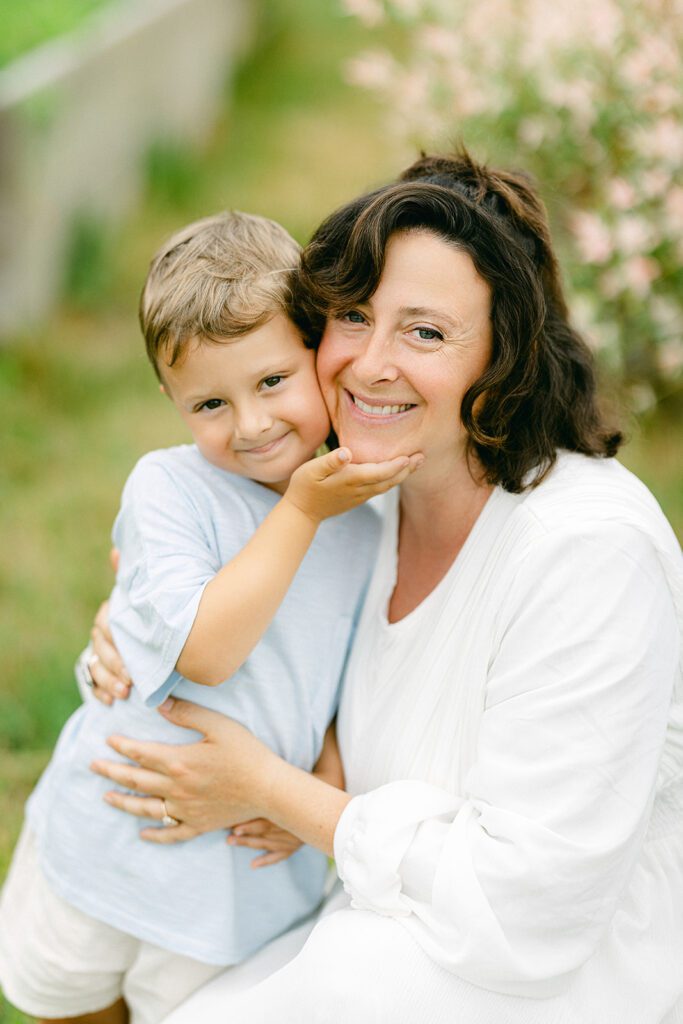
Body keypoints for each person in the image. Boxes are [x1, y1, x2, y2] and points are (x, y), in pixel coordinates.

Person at [88, 154, 682, 1022]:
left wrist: (270, 790)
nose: (368, 365)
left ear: (505, 359)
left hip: (550, 984)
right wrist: (141, 620)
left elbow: (523, 917)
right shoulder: (359, 512)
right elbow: (232, 620)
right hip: (382, 921)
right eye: (354, 316)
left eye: (426, 333)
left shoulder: (586, 551)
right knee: (127, 959)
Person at [0, 211, 423, 1024]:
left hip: (241, 874)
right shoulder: (169, 489)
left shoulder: (371, 522)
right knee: (75, 1000)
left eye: (271, 382)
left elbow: (355, 666)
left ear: (315, 354)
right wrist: (297, 511)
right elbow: (205, 652)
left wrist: (325, 778)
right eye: (208, 404)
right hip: (113, 836)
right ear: (169, 400)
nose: (252, 424)